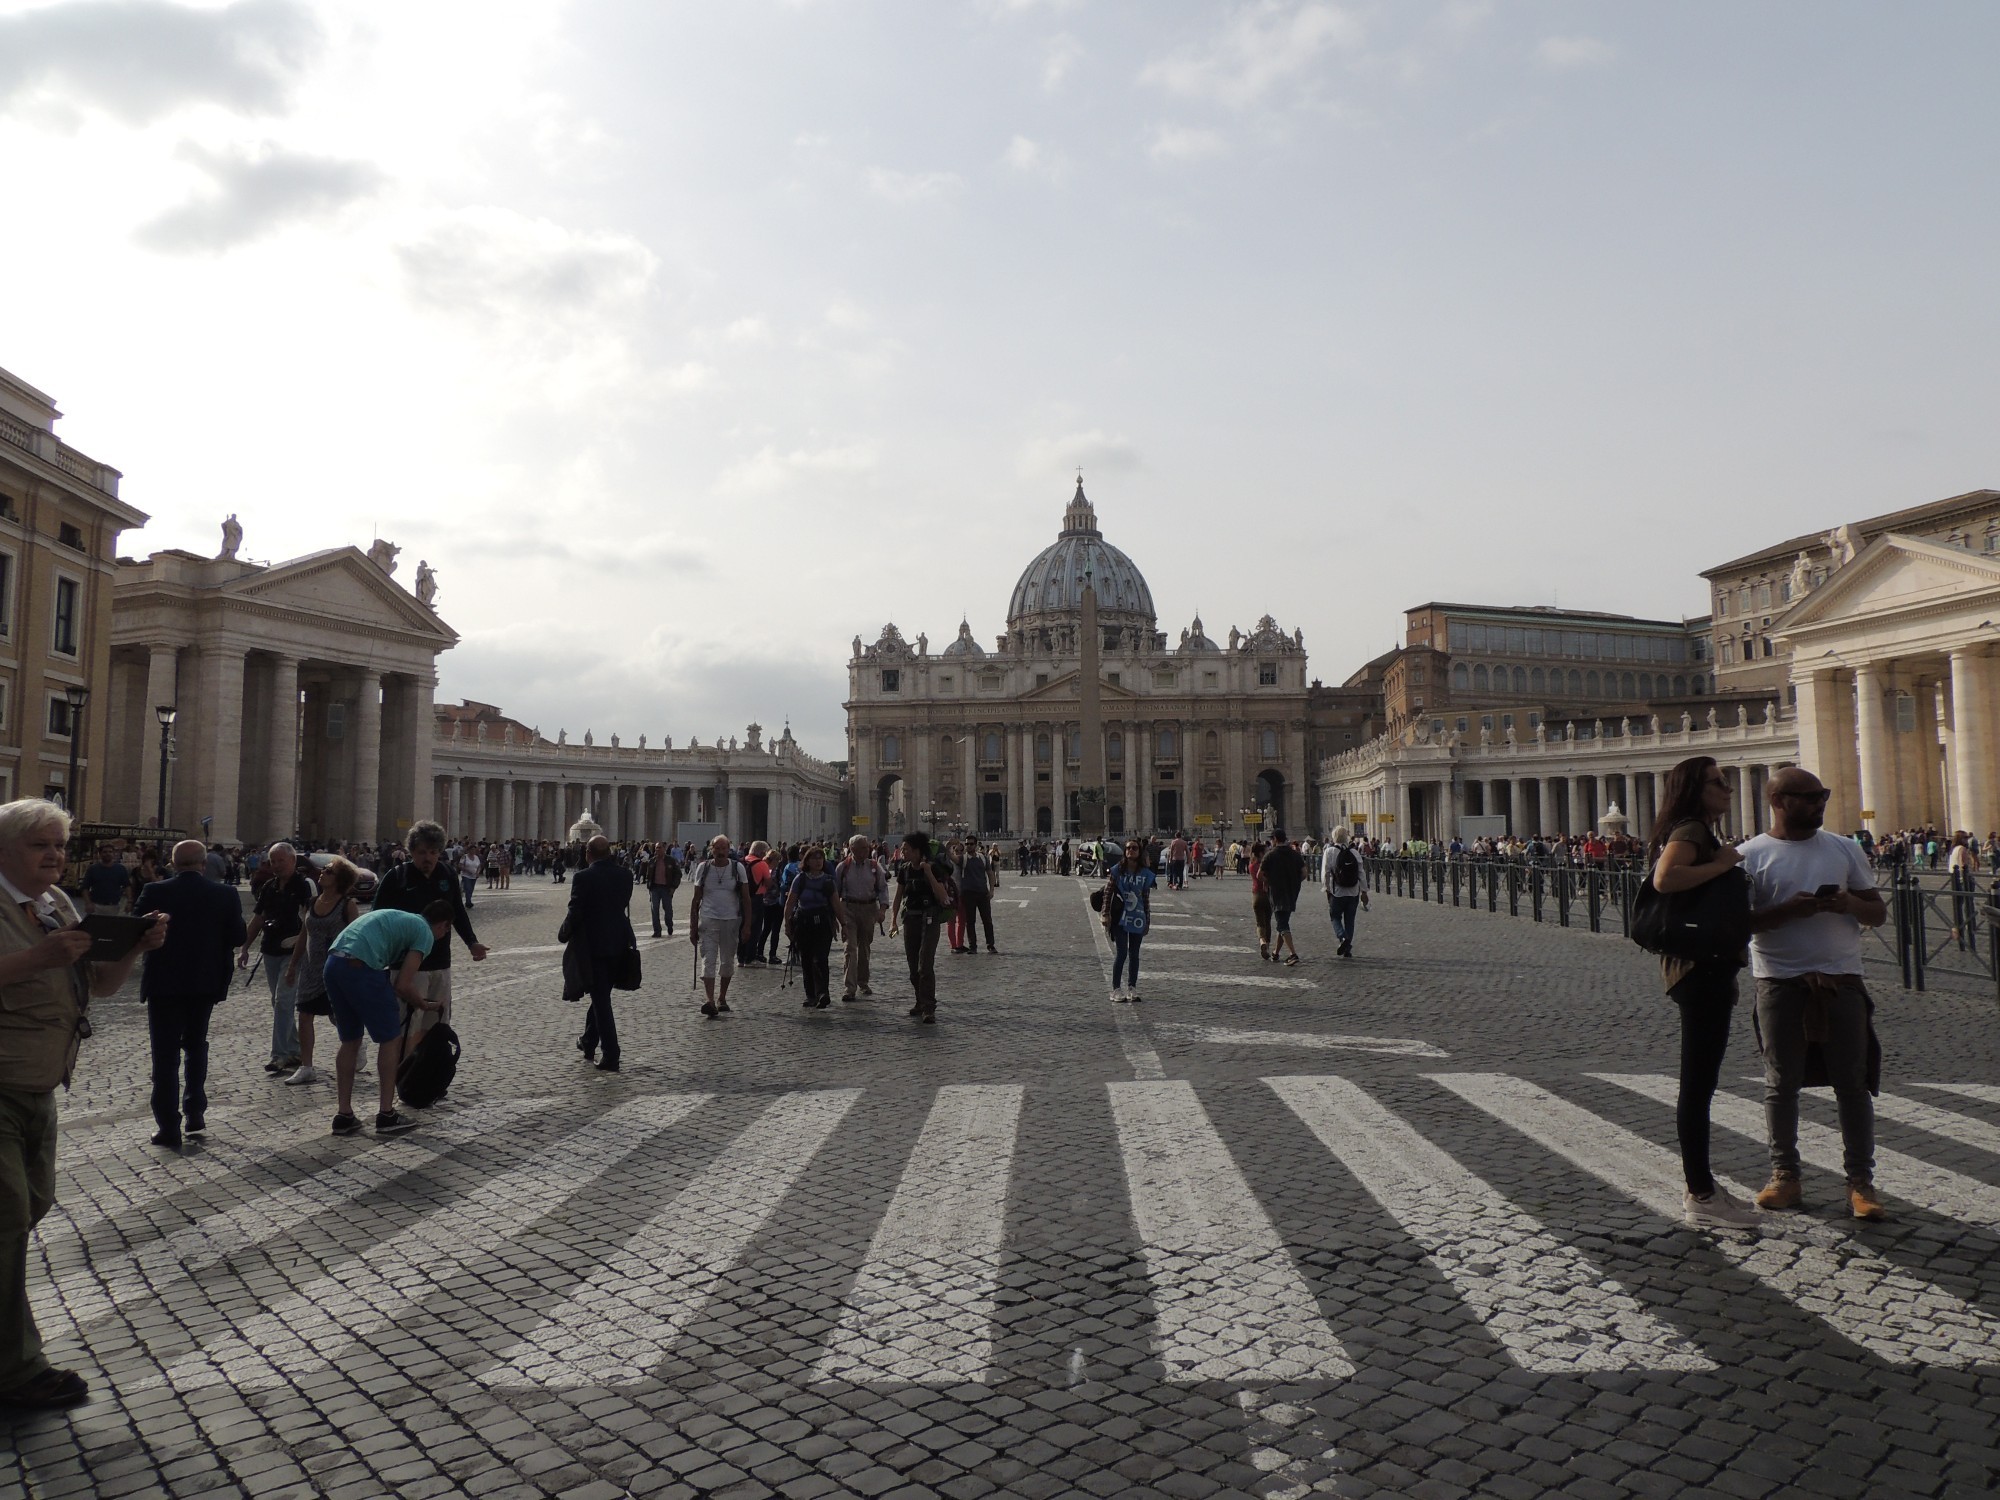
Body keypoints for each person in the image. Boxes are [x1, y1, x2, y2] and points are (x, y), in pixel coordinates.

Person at [0, 799, 168, 1408]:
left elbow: (98, 985)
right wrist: (37, 959)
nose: (54, 856)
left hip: (41, 1083)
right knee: (7, 1216)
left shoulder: (57, 905)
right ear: (4, 849)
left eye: (60, 846)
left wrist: (132, 948)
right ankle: (17, 1370)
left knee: (33, 1203)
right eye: (39, 845)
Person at [1741, 767, 1891, 1221]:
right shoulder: (1749, 855)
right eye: (1809, 797)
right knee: (1780, 1084)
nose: (1820, 803)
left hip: (1843, 978)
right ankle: (1785, 1176)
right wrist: (1786, 912)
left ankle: (1860, 1183)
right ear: (1779, 801)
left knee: (1854, 1083)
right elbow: (1740, 922)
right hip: (1779, 981)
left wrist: (1849, 904)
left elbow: (1878, 913)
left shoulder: (1844, 848)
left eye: (1822, 794)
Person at [1647, 756, 1760, 1230]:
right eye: (1719, 782)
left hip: (1701, 967)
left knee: (1700, 1082)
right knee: (1697, 1084)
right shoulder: (1691, 830)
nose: (1729, 789)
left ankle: (1705, 1187)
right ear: (1696, 788)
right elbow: (1666, 878)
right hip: (1699, 968)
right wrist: (1723, 862)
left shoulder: (1693, 828)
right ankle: (1701, 1193)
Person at [132, 839, 245, 1147]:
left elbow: (133, 930)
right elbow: (238, 936)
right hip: (204, 983)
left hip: (163, 985)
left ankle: (168, 1126)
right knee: (196, 1044)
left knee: (165, 1056)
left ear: (172, 862)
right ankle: (195, 1109)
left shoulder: (155, 892)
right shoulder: (225, 894)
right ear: (203, 864)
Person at [322, 903, 454, 1136]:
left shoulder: (403, 917)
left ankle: (344, 1115)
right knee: (391, 1038)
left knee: (350, 1040)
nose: (443, 936)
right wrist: (424, 1004)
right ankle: (386, 1114)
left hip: (333, 963)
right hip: (362, 965)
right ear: (443, 925)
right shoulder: (424, 933)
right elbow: (402, 984)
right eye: (445, 931)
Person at [370, 821, 487, 1044]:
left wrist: (472, 942)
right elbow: (377, 919)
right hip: (405, 965)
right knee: (406, 1025)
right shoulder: (397, 877)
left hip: (440, 962)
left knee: (438, 1024)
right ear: (411, 851)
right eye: (422, 852)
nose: (428, 858)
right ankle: (403, 1074)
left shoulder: (447, 874)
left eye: (433, 852)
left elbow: (458, 913)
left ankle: (430, 1072)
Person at [280, 856, 363, 1086]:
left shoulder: (347, 905)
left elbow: (354, 937)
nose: (322, 872)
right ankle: (307, 1067)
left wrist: (354, 966)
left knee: (337, 1015)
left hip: (336, 967)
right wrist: (293, 965)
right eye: (324, 869)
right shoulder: (312, 901)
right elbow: (304, 935)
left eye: (328, 870)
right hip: (310, 967)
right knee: (305, 1015)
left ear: (340, 879)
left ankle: (355, 1042)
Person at [239, 842, 313, 1077]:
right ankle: (293, 1049)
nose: (277, 865)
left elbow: (310, 921)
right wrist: (244, 948)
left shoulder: (303, 887)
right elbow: (258, 919)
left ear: (293, 861)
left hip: (294, 952)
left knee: (283, 1000)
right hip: (270, 949)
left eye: (281, 861)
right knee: (278, 1001)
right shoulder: (269, 887)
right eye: (273, 861)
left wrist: (301, 944)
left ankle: (279, 1055)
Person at [568, 836, 635, 1070]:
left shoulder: (583, 877)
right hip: (619, 942)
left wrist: (564, 932)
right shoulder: (626, 875)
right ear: (609, 853)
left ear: (588, 853)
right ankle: (588, 1040)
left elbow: (576, 910)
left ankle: (611, 1054)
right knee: (601, 995)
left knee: (601, 999)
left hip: (593, 946)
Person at [887, 831, 953, 1024]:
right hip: (910, 919)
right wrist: (893, 921)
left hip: (929, 918)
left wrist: (929, 874)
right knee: (913, 965)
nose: (902, 852)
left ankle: (928, 1007)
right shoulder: (904, 869)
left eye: (906, 849)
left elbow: (942, 895)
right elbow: (898, 897)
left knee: (926, 964)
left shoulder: (932, 868)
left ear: (917, 851)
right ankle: (919, 1000)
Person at [689, 834, 753, 1018]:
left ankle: (722, 997)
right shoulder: (703, 868)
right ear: (712, 850)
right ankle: (710, 1000)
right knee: (708, 960)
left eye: (724, 848)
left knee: (727, 960)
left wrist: (747, 924)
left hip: (731, 919)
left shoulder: (737, 868)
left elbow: (746, 898)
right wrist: (693, 926)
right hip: (708, 918)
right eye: (717, 848)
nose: (720, 852)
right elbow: (696, 899)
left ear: (729, 849)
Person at [784, 845, 845, 1009]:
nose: (818, 861)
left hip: (823, 922)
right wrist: (787, 923)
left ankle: (823, 992)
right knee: (806, 959)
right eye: (814, 858)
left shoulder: (828, 880)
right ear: (807, 861)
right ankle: (810, 995)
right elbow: (790, 901)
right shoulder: (800, 879)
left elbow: (836, 904)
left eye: (820, 858)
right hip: (804, 922)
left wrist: (843, 923)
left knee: (821, 958)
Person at [1104, 837, 1156, 1002]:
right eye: (1128, 848)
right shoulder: (1116, 870)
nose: (1130, 851)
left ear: (1139, 852)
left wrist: (1147, 919)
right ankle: (1116, 989)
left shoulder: (1145, 873)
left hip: (1137, 917)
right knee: (1121, 953)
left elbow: (1145, 898)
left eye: (1134, 848)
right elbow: (1107, 893)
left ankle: (1132, 987)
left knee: (1134, 954)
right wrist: (1105, 913)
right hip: (1120, 916)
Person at [836, 834, 886, 1001]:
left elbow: (882, 888)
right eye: (863, 847)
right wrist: (836, 915)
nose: (867, 850)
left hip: (869, 908)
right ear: (852, 849)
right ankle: (849, 988)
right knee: (850, 948)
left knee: (864, 947)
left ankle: (863, 981)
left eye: (867, 847)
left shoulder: (874, 866)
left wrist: (883, 910)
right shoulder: (843, 867)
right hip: (848, 908)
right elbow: (835, 892)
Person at [1321, 826, 1370, 959]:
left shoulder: (1329, 851)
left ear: (1334, 837)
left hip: (1337, 892)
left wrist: (1326, 889)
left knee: (1335, 917)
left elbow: (1325, 873)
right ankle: (1347, 949)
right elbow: (1361, 873)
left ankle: (1342, 938)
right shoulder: (1354, 852)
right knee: (1350, 920)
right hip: (1353, 892)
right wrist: (1364, 891)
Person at [1261, 831, 1306, 966]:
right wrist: (1295, 883)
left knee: (1282, 924)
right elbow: (1304, 873)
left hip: (1277, 893)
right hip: (1292, 893)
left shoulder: (1270, 855)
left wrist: (1269, 882)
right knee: (1282, 922)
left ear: (1275, 839)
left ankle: (1293, 954)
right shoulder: (1295, 854)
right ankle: (1275, 953)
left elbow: (1259, 874)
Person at [957, 841, 998, 954]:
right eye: (967, 844)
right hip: (968, 893)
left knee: (987, 920)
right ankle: (972, 946)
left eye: (970, 844)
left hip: (982, 893)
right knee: (970, 921)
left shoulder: (983, 858)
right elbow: (951, 857)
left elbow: (990, 873)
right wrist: (948, 846)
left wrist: (991, 889)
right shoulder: (963, 858)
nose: (968, 846)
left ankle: (990, 944)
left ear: (975, 845)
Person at [80, 845, 130, 916]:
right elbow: (85, 887)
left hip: (115, 907)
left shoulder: (121, 869)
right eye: (105, 852)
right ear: (100, 854)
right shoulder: (93, 869)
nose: (108, 854)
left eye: (110, 852)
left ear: (114, 854)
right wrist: (88, 903)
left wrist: (129, 902)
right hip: (96, 906)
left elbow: (127, 886)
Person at [646, 840, 682, 939]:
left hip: (666, 888)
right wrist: (649, 886)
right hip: (655, 888)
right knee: (654, 909)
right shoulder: (652, 861)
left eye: (659, 848)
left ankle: (669, 925)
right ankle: (657, 931)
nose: (657, 850)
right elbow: (648, 875)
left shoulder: (671, 860)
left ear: (664, 849)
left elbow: (678, 874)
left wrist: (674, 887)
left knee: (668, 910)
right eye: (656, 848)